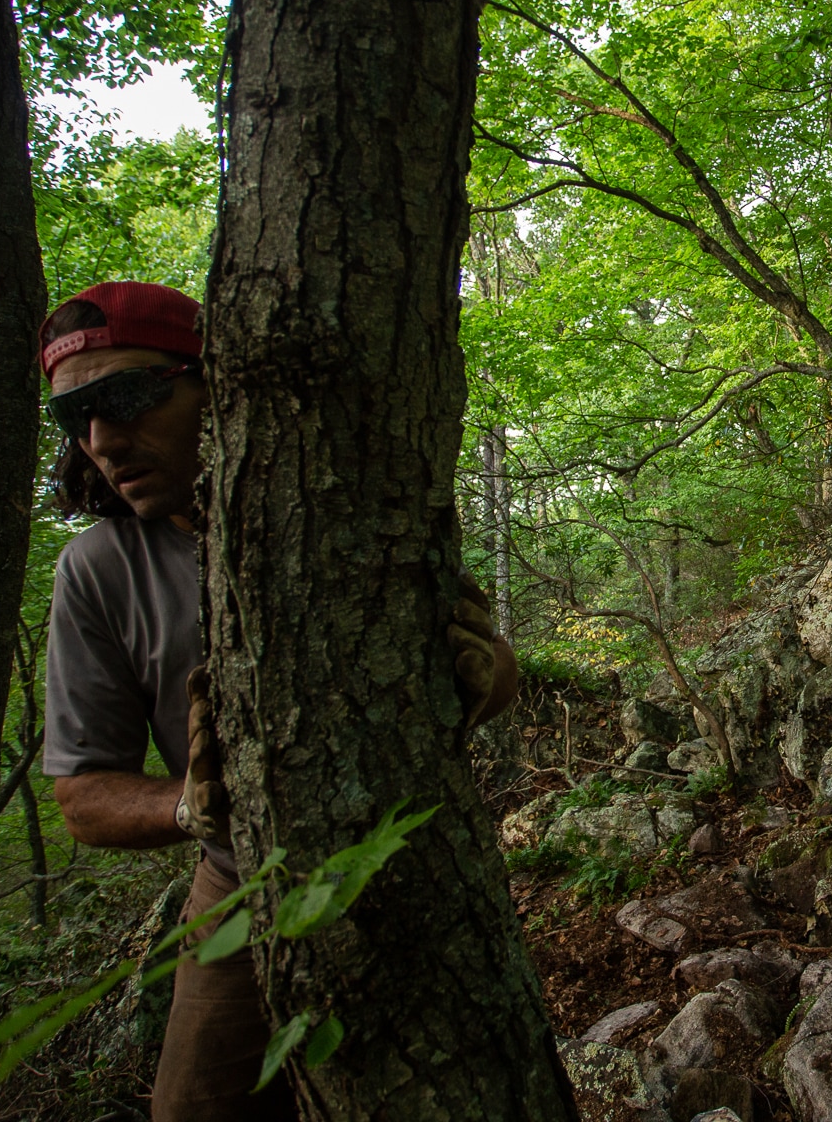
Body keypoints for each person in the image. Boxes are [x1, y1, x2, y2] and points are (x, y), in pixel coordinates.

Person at [39, 282, 518, 1121]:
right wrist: (190, 804)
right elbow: (82, 796)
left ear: (215, 385)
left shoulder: (348, 509)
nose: (104, 440)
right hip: (238, 880)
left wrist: (479, 678)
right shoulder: (99, 571)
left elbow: (489, 671)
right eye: (77, 417)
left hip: (411, 848)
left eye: (129, 396)